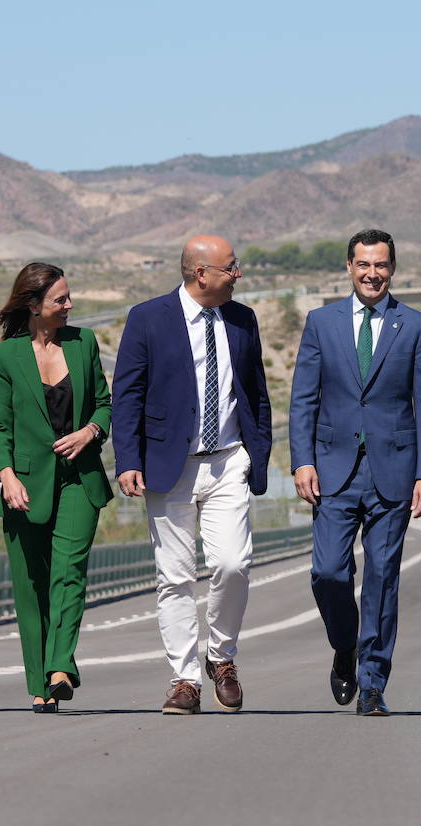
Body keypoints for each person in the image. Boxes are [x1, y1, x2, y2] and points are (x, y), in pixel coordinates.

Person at [112, 235, 272, 714]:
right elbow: (127, 394)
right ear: (201, 273)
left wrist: (259, 452)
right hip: (169, 466)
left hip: (228, 459)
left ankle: (221, 657)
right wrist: (128, 460)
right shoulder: (148, 318)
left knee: (233, 564)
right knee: (175, 577)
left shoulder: (242, 319)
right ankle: (184, 680)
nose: (238, 274)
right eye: (230, 267)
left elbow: (256, 392)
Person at [288, 229, 421, 716]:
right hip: (332, 470)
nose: (372, 274)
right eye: (363, 264)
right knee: (328, 572)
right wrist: (302, 460)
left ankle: (373, 683)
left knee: (382, 576)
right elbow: (303, 398)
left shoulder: (415, 326)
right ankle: (345, 644)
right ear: (349, 267)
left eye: (381, 265)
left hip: (394, 470)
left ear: (392, 268)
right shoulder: (321, 322)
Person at [0, 263, 113, 713]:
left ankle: (60, 667)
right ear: (33, 305)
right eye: (60, 299)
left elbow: (104, 403)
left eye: (68, 296)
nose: (69, 305)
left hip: (80, 478)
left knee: (69, 572)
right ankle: (39, 682)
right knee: (32, 586)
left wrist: (90, 432)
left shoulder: (84, 343)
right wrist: (6, 475)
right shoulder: (4, 357)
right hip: (24, 484)